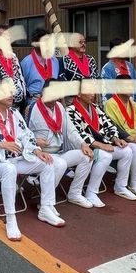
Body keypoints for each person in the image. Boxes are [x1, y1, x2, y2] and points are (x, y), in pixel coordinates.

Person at [0, 76, 66, 242]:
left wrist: (37, 151)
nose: (11, 95)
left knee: (47, 162)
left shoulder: (14, 113)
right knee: (9, 170)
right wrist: (1, 145)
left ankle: (45, 207)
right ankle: (11, 218)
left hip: (17, 158)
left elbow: (27, 135)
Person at [27, 79, 96, 208]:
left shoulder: (59, 107)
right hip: (41, 155)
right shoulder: (32, 108)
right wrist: (35, 141)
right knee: (60, 164)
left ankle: (75, 193)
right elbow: (23, 134)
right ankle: (45, 202)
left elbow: (70, 129)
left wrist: (82, 144)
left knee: (87, 156)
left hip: (59, 152)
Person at [66, 83, 136, 205]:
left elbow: (109, 124)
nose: (93, 94)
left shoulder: (96, 108)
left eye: (94, 91)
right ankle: (91, 192)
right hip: (85, 148)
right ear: (78, 93)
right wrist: (100, 145)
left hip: (104, 145)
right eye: (89, 91)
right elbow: (78, 134)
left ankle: (121, 186)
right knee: (106, 155)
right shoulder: (70, 110)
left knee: (127, 151)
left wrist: (115, 138)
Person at [20, 28, 60, 106]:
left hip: (53, 101)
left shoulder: (55, 61)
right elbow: (23, 87)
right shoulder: (26, 62)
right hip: (34, 101)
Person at [101, 37, 136, 102]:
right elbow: (108, 92)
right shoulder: (107, 68)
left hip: (131, 106)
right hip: (115, 106)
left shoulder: (130, 66)